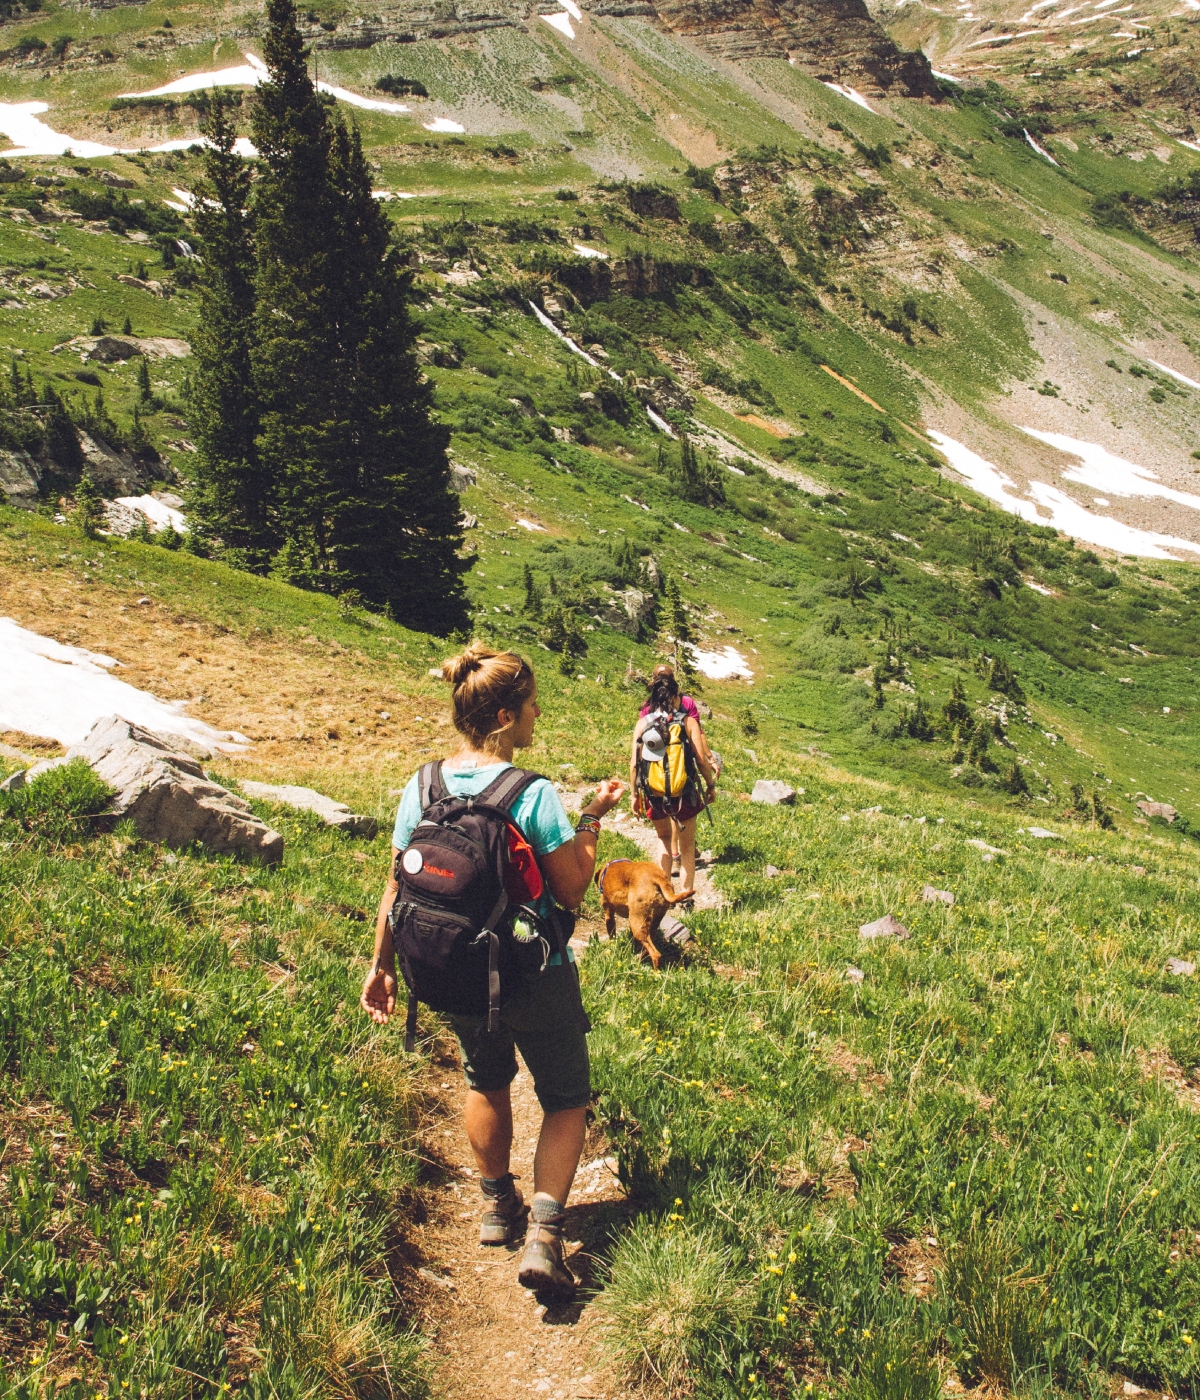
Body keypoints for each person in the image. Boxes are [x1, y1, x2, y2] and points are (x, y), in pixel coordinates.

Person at [361, 643, 625, 1297]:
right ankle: (543, 1234)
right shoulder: (531, 794)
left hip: (451, 970)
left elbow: (397, 885)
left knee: (486, 1079)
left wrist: (381, 967)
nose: (539, 713)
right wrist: (591, 818)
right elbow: (570, 890)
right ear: (506, 715)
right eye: (532, 703)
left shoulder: (421, 785)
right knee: (566, 1099)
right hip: (534, 972)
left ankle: (494, 1204)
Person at [629, 664, 718, 898]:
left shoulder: (643, 722)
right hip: (684, 790)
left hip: (654, 792)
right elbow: (700, 759)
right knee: (688, 847)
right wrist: (710, 785)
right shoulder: (687, 722)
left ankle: (664, 893)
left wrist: (634, 795)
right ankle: (687, 895)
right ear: (676, 695)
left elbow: (634, 764)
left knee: (664, 838)